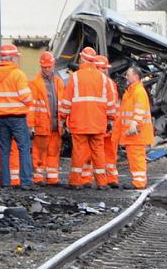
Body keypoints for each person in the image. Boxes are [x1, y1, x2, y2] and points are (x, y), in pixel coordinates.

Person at [59, 47, 116, 190]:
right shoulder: (103, 79)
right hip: (98, 123)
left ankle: (75, 182)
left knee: (79, 152)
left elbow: (66, 101)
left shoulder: (75, 77)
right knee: (98, 152)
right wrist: (110, 119)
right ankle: (102, 182)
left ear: (82, 59)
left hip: (79, 122)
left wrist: (62, 118)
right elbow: (110, 103)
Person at [0, 45, 34, 190]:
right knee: (24, 148)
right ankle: (26, 181)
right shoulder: (18, 74)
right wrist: (27, 103)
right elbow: (26, 97)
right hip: (18, 117)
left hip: (1, 117)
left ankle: (5, 182)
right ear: (13, 58)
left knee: (4, 150)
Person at [114, 65, 154, 189]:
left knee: (136, 158)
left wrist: (134, 124)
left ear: (136, 76)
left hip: (136, 133)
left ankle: (139, 182)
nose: (126, 77)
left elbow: (139, 109)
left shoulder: (138, 91)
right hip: (133, 133)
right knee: (134, 158)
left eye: (128, 75)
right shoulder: (132, 91)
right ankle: (138, 181)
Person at [28, 51, 65, 185]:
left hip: (56, 125)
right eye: (44, 67)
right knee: (39, 152)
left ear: (53, 66)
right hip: (41, 124)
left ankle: (52, 178)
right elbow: (31, 107)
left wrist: (64, 123)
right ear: (41, 66)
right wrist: (30, 125)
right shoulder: (35, 84)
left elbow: (63, 104)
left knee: (53, 152)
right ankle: (38, 178)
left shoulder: (58, 83)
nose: (47, 69)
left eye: (49, 66)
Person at [96, 55, 121, 188]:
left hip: (108, 124)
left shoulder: (109, 84)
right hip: (103, 124)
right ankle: (102, 179)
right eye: (102, 68)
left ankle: (111, 178)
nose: (105, 71)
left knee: (110, 154)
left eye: (105, 68)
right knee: (97, 153)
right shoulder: (108, 84)